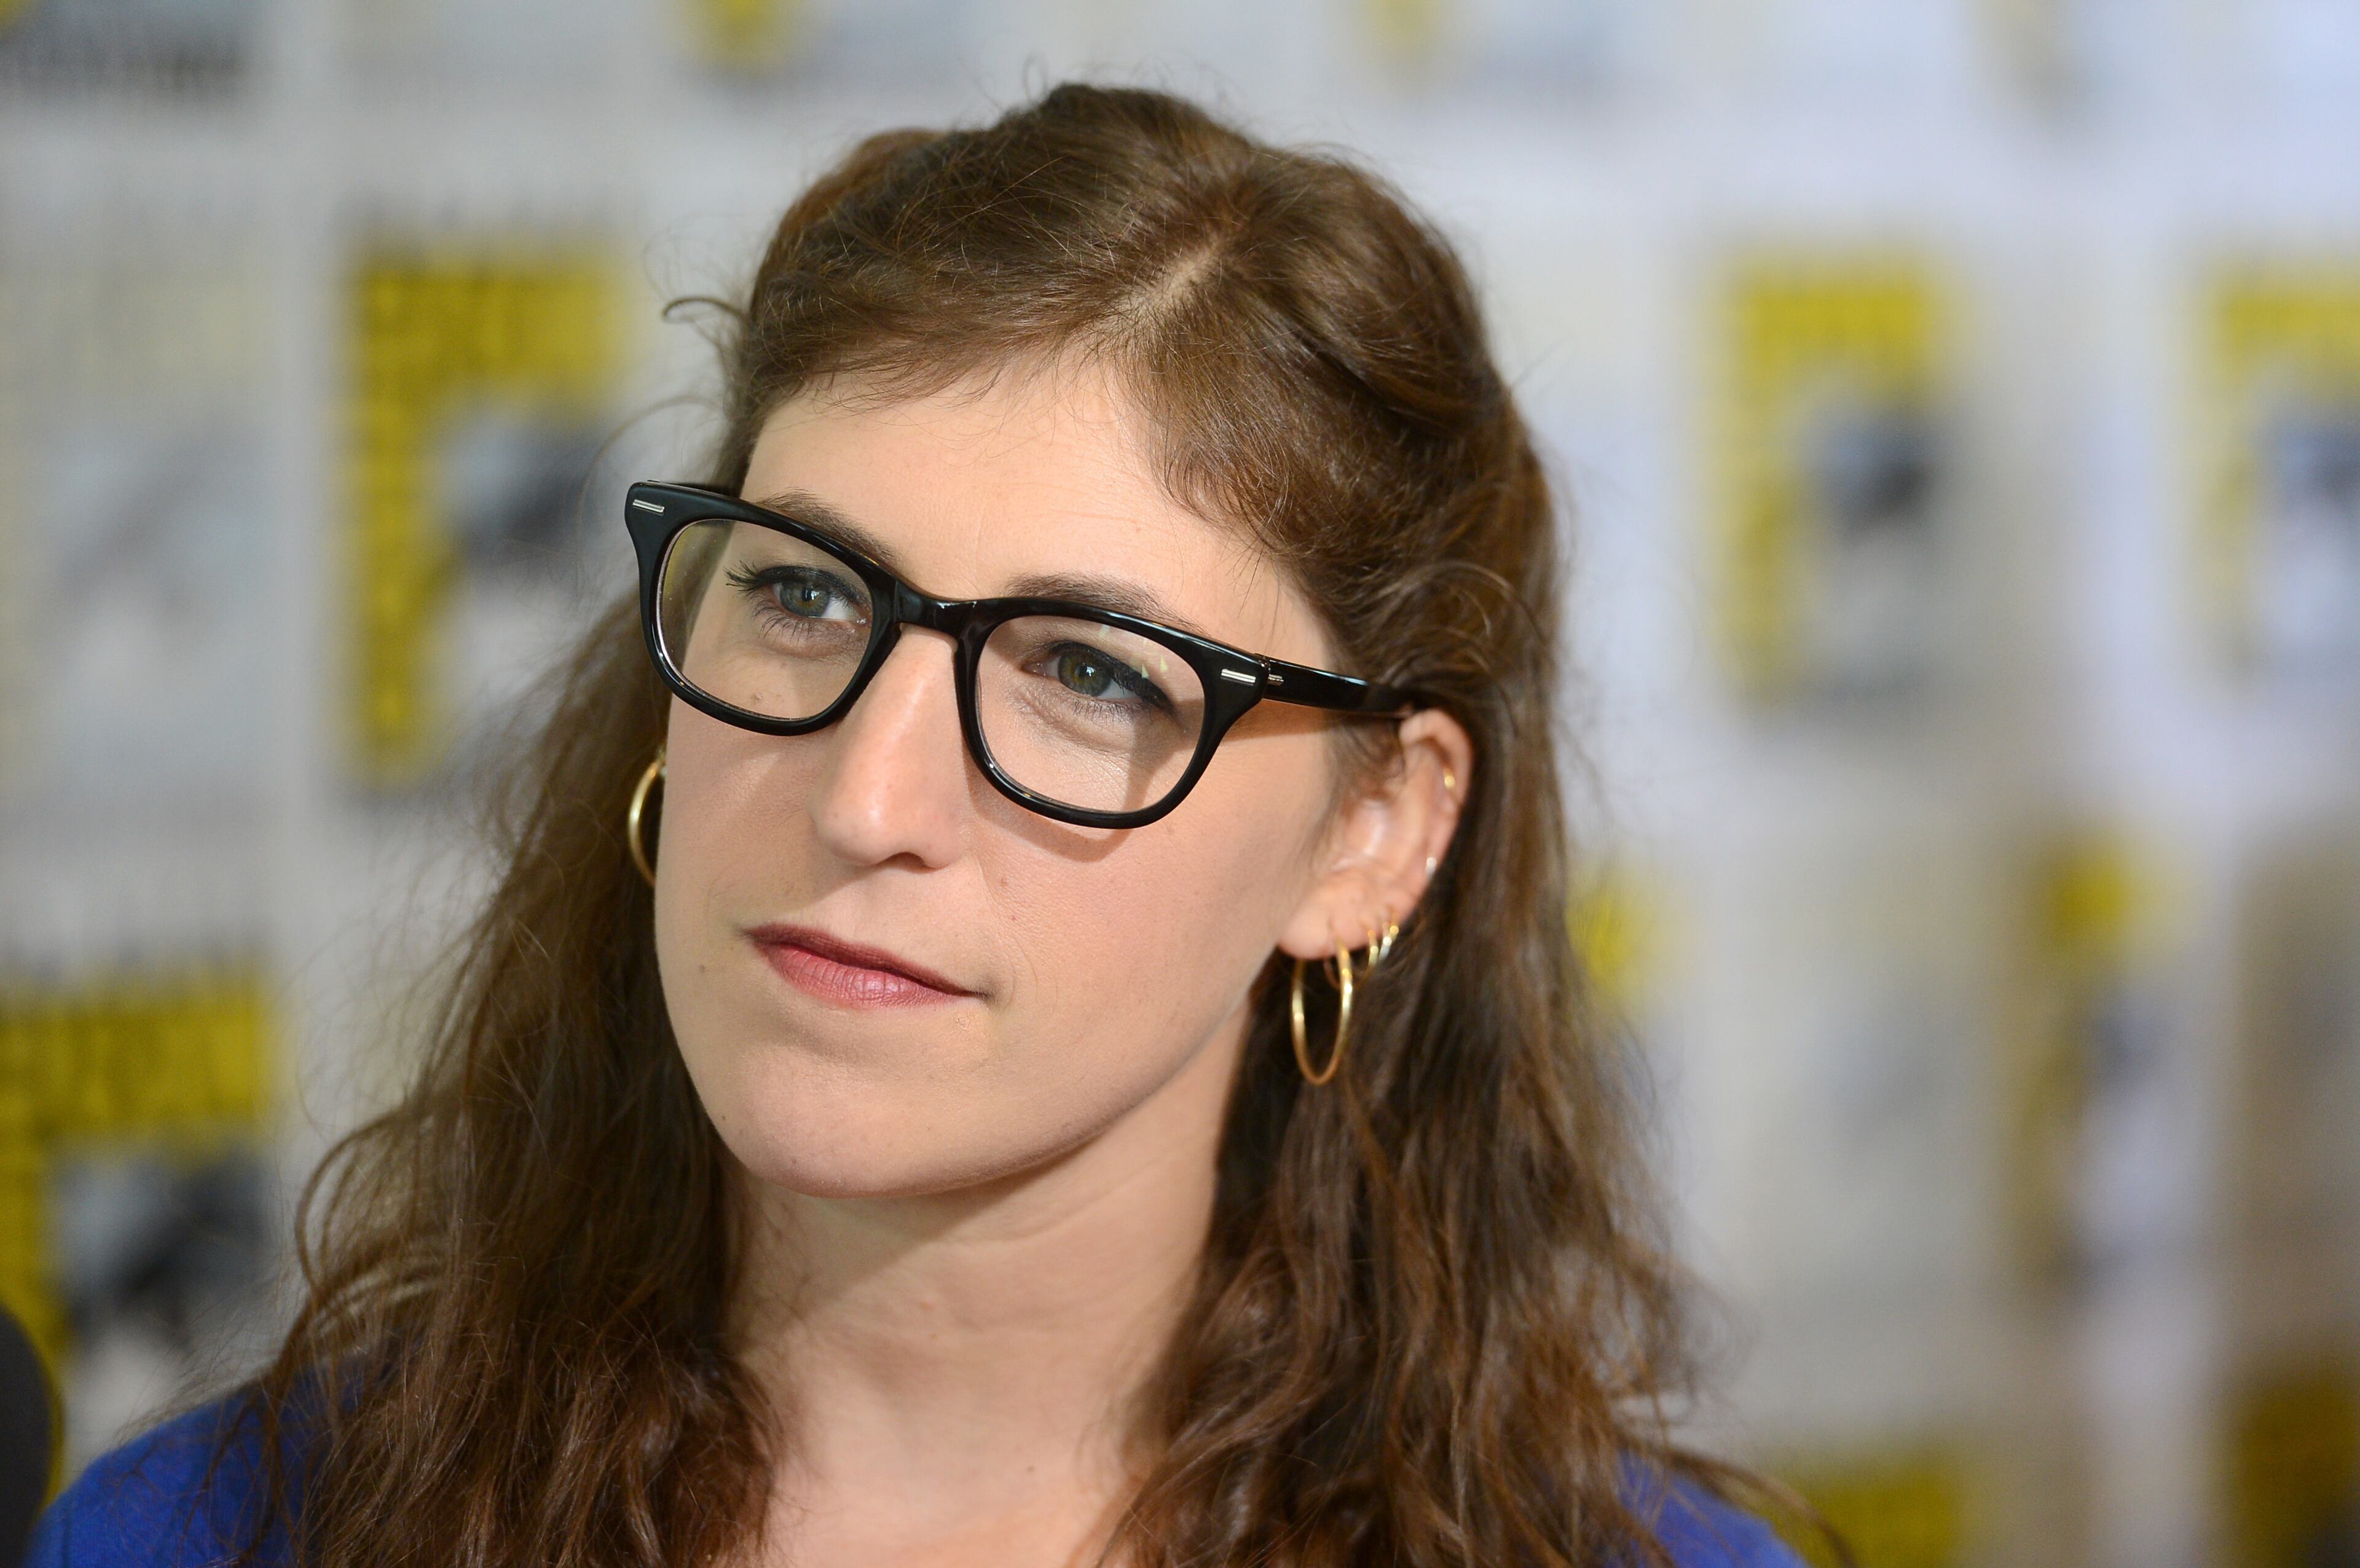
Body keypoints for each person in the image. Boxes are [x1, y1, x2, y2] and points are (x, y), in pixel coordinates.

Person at [29, 82, 1809, 1568]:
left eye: (1092, 677)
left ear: (1375, 835)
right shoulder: (219, 1534)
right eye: (805, 597)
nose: (866, 801)